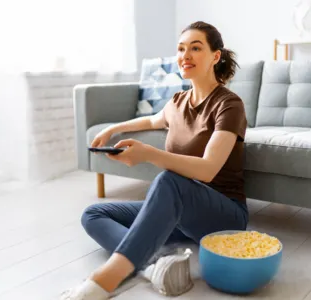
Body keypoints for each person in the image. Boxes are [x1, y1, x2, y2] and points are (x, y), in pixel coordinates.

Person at [61, 21, 247, 300]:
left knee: (169, 180)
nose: (186, 55)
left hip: (222, 214)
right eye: (181, 48)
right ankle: (152, 267)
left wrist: (148, 154)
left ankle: (106, 280)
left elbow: (208, 170)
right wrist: (112, 129)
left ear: (215, 56)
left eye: (196, 48)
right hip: (180, 214)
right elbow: (151, 119)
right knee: (94, 214)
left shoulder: (228, 104)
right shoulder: (177, 102)